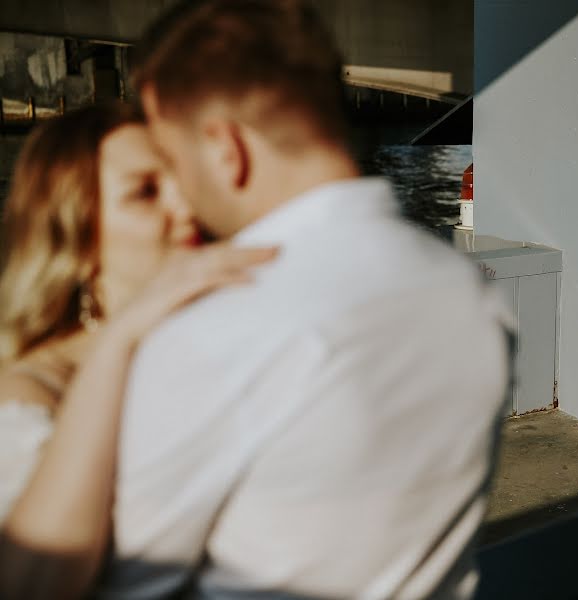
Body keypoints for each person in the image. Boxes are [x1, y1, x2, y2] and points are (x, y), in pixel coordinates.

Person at [100, 1, 512, 598]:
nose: (177, 197)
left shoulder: (213, 331)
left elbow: (128, 587)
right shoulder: (467, 292)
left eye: (172, 160)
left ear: (223, 149)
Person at [0, 104, 277, 600]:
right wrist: (120, 339)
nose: (185, 207)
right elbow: (30, 584)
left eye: (182, 181)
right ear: (78, 236)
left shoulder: (213, 344)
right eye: (145, 192)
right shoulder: (26, 398)